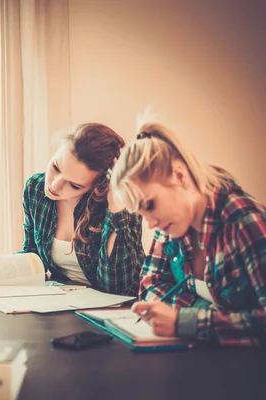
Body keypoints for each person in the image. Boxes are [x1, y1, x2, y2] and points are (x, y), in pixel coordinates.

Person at [110, 121, 266, 346]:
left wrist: (186, 321)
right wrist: (203, 311)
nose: (150, 223)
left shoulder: (245, 220)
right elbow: (149, 285)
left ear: (180, 177)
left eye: (150, 205)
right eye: (141, 213)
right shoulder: (172, 224)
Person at [21, 123, 145, 295]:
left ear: (98, 185)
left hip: (117, 309)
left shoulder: (123, 206)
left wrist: (115, 209)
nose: (55, 185)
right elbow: (32, 256)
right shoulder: (35, 188)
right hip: (62, 301)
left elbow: (116, 287)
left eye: (74, 185)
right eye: (56, 167)